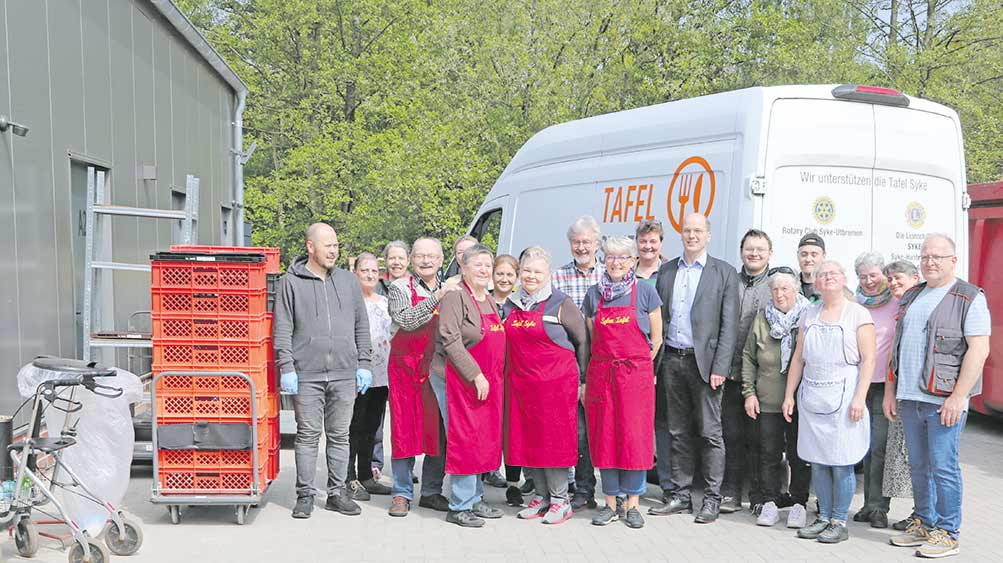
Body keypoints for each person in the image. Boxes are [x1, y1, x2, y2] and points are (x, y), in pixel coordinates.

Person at [887, 234, 991, 559]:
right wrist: (892, 391)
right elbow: (897, 347)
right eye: (925, 256)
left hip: (943, 400)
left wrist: (959, 397)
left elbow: (979, 349)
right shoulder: (914, 295)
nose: (930, 262)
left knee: (943, 467)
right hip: (909, 398)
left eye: (937, 257)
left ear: (953, 261)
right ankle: (924, 521)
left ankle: (948, 532)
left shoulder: (969, 297)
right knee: (918, 465)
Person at [274, 223, 374, 519]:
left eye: (336, 245)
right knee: (307, 435)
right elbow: (282, 328)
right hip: (306, 374)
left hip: (344, 373)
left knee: (340, 435)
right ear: (310, 247)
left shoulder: (347, 281)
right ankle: (305, 494)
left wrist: (364, 364)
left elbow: (361, 325)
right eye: (327, 245)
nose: (333, 250)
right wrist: (287, 367)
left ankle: (336, 493)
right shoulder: (290, 282)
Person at [650, 213, 739, 524]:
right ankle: (680, 495)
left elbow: (729, 327)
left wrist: (721, 367)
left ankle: (712, 499)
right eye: (687, 230)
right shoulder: (666, 271)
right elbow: (657, 318)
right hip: (672, 360)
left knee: (710, 433)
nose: (692, 236)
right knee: (676, 431)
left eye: (698, 230)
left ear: (708, 235)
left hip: (706, 366)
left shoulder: (724, 273)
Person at [782, 259, 875, 544]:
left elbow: (869, 359)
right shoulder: (809, 314)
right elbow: (798, 358)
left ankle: (839, 521)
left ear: (844, 278)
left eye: (833, 273)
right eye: (823, 275)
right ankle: (822, 518)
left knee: (841, 462)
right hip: (812, 394)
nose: (828, 278)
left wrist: (860, 397)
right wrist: (789, 395)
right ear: (817, 283)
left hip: (845, 395)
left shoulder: (858, 314)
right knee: (818, 462)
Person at [504, 246, 589, 525]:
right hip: (522, 386)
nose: (531, 276)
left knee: (553, 442)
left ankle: (560, 500)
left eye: (537, 271)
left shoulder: (561, 303)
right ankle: (540, 497)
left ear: (548, 274)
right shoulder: (510, 304)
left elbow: (582, 342)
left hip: (556, 387)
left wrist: (583, 380)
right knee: (527, 440)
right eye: (526, 270)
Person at [582, 236, 662, 529]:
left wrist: (637, 365)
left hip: (635, 377)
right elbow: (591, 339)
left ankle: (633, 504)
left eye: (622, 257)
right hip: (603, 376)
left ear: (632, 261)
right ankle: (610, 503)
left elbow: (657, 338)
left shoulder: (646, 292)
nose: (616, 262)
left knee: (634, 437)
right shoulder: (594, 295)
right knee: (605, 437)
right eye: (611, 257)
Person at [431, 243, 507, 528]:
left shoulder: (486, 298)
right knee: (465, 439)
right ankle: (460, 505)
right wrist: (475, 374)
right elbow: (450, 340)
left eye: (488, 265)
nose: (485, 270)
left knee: (481, 439)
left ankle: (475, 499)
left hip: (486, 381)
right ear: (463, 267)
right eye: (479, 264)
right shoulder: (455, 297)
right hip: (459, 380)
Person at [386, 237, 455, 517]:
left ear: (441, 260)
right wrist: (437, 299)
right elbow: (408, 320)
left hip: (436, 369)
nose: (426, 261)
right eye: (420, 256)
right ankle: (401, 493)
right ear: (412, 260)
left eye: (432, 256)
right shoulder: (399, 287)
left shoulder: (452, 288)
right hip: (405, 368)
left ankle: (431, 491)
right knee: (404, 431)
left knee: (436, 431)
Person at [742, 267, 811, 528]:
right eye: (775, 289)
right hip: (768, 399)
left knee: (799, 454)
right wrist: (749, 392)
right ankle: (769, 502)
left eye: (785, 289)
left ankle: (799, 503)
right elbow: (748, 356)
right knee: (768, 453)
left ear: (796, 290)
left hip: (800, 401)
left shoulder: (808, 317)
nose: (779, 294)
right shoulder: (762, 318)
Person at [552, 215, 605, 510]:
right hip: (571, 362)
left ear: (596, 243)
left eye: (586, 241)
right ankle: (583, 489)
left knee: (607, 427)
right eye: (576, 242)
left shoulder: (608, 277)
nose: (582, 247)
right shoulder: (557, 277)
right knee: (579, 430)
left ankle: (616, 492)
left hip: (603, 360)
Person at [720, 229, 773, 514]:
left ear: (769, 254)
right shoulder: (730, 281)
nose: (754, 253)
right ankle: (730, 492)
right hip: (729, 374)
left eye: (760, 249)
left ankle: (758, 495)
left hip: (762, 379)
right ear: (741, 251)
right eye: (749, 248)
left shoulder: (775, 285)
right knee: (731, 435)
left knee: (759, 440)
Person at [850, 252, 897, 529]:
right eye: (863, 276)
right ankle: (868, 504)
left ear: (883, 274)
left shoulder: (897, 303)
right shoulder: (855, 304)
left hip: (885, 385)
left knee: (879, 446)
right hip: (858, 383)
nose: (869, 281)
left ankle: (879, 507)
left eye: (874, 275)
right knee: (863, 447)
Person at [347, 253, 393, 500]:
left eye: (374, 271)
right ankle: (348, 478)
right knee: (353, 426)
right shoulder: (350, 302)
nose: (370, 275)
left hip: (381, 375)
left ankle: (366, 474)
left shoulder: (385, 303)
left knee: (372, 427)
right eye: (365, 270)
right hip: (357, 373)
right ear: (355, 273)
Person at [881, 259, 920, 531]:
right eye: (891, 279)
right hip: (902, 392)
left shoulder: (919, 305)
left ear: (914, 278)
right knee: (907, 458)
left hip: (922, 395)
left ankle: (924, 516)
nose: (894, 283)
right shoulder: (902, 306)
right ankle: (919, 513)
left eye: (899, 278)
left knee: (920, 457)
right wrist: (890, 392)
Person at [372, 240, 410, 479]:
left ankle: (404, 467)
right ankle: (375, 464)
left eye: (400, 258)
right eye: (392, 258)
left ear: (408, 261)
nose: (396, 262)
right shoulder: (375, 285)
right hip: (378, 359)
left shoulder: (413, 286)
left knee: (404, 417)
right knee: (376, 416)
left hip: (405, 359)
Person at [796, 233, 826, 303]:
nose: (808, 259)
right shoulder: (789, 287)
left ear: (823, 256)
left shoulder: (833, 288)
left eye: (814, 255)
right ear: (798, 255)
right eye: (804, 254)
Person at [635, 220, 665, 284]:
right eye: (643, 241)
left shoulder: (670, 272)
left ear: (661, 243)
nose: (647, 246)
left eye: (653, 241)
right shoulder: (626, 272)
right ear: (636, 242)